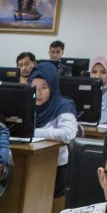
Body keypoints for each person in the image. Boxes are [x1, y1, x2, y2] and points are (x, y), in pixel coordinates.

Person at [31, 61, 79, 194]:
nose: (38, 93)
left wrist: (33, 132)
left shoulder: (64, 105)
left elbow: (68, 134)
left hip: (57, 168)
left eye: (44, 87)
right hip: (30, 161)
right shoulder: (26, 102)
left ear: (53, 87)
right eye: (34, 87)